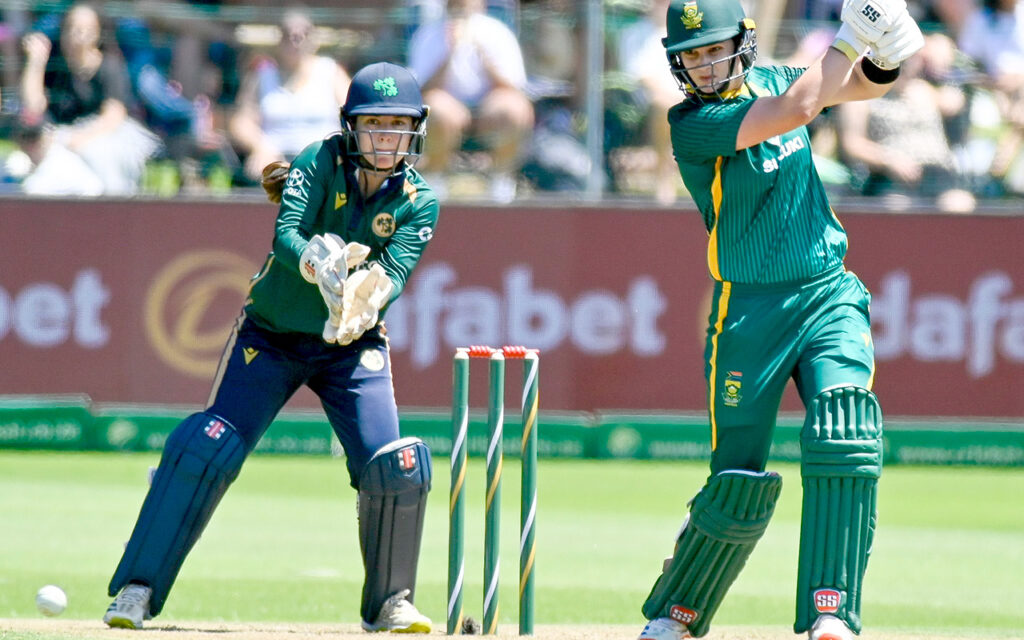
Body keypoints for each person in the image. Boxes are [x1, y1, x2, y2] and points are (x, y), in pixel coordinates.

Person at [102, 61, 439, 634]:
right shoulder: (317, 160)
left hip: (350, 347)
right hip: (272, 336)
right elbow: (287, 235)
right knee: (206, 447)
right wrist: (315, 263)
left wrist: (367, 295)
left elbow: (395, 270)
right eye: (374, 124)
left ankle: (390, 603)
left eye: (398, 125)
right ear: (351, 126)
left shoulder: (419, 200)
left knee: (393, 466)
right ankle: (138, 589)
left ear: (415, 129)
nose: (386, 137)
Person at [635, 2, 923, 640]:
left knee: (844, 431)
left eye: (714, 49)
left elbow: (862, 85)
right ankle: (679, 610)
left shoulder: (775, 79)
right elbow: (798, 110)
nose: (704, 65)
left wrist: (888, 50)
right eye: (691, 55)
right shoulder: (692, 124)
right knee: (735, 481)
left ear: (743, 43)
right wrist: (854, 30)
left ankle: (831, 610)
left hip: (826, 292)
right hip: (748, 312)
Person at [18, 2, 161, 195]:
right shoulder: (56, 68)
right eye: (70, 28)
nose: (76, 35)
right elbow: (33, 107)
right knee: (34, 186)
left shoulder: (110, 67)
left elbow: (113, 116)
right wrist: (36, 62)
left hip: (103, 142)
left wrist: (79, 138)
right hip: (65, 145)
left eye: (83, 29)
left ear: (97, 33)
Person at [407, 0, 534, 201]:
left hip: (490, 109)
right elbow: (422, 89)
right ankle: (435, 179)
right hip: (449, 110)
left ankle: (500, 180)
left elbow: (514, 88)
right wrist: (451, 51)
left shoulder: (498, 32)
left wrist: (482, 54)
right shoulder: (429, 34)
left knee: (514, 109)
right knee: (436, 110)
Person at [229, 7, 351, 183]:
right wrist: (260, 147)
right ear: (279, 39)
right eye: (289, 35)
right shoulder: (262, 76)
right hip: (275, 163)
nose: (296, 40)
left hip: (323, 162)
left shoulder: (331, 72)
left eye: (303, 34)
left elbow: (353, 116)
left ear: (314, 39)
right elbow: (241, 122)